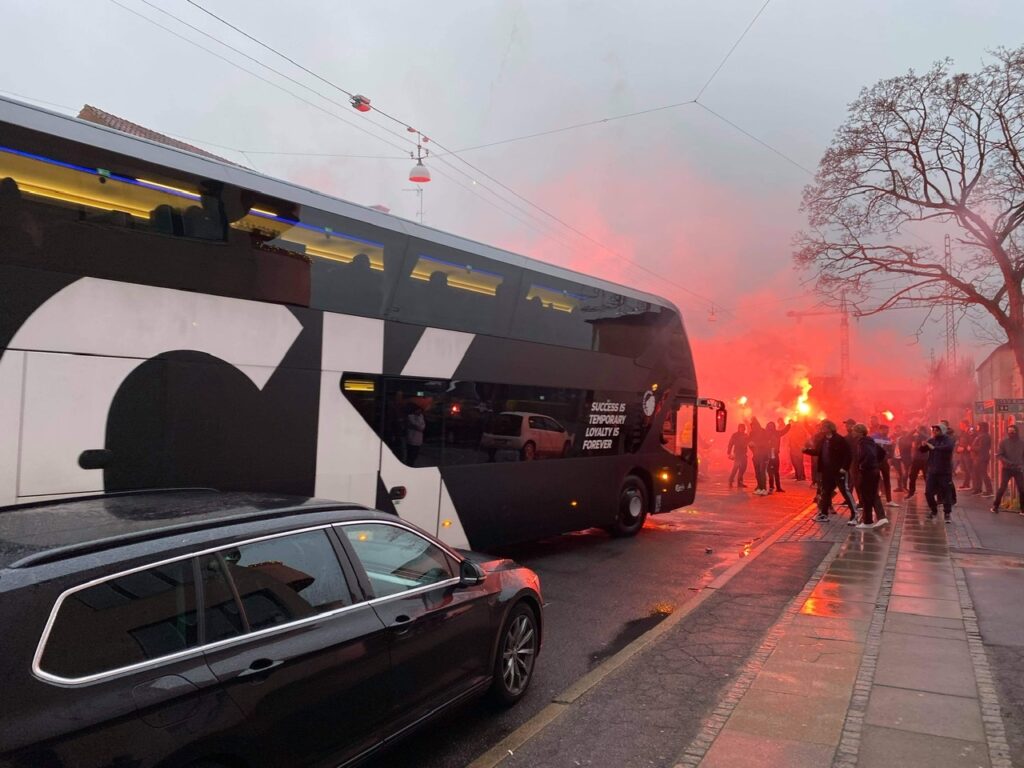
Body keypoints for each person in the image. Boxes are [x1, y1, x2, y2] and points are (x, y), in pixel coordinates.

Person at [804, 420, 858, 523]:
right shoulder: (823, 440)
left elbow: (848, 454)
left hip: (838, 470)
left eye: (824, 427)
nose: (822, 429)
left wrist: (844, 468)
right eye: (821, 427)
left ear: (830, 428)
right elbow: (818, 452)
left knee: (844, 491)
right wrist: (806, 450)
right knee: (826, 492)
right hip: (826, 471)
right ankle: (824, 514)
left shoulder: (839, 439)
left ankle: (854, 514)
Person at [853, 423, 889, 528]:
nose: (853, 432)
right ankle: (879, 518)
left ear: (859, 432)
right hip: (874, 471)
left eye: (854, 431)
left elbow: (870, 455)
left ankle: (868, 521)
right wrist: (876, 463)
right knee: (872, 494)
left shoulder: (863, 442)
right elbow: (882, 452)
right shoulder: (870, 440)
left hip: (867, 472)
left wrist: (864, 465)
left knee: (866, 495)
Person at [921, 424, 955, 522]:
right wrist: (923, 446)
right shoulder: (931, 440)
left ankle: (947, 513)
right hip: (932, 471)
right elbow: (922, 450)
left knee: (946, 492)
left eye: (937, 430)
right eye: (933, 430)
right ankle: (933, 510)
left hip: (944, 471)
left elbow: (948, 447)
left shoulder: (948, 440)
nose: (934, 432)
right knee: (928, 492)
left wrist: (934, 447)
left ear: (942, 431)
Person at [992, 423, 1024, 513]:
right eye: (1009, 431)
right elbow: (999, 455)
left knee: (1022, 489)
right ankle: (995, 506)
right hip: (1007, 468)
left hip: (1018, 468)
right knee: (1003, 487)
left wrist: (1021, 464)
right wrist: (1008, 462)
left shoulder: (1022, 443)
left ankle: (1023, 509)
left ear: (1016, 431)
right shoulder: (1004, 442)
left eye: (1013, 431)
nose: (1011, 433)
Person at [766, 420, 791, 493]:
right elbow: (784, 431)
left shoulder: (776, 433)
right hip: (770, 454)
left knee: (775, 471)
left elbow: (784, 431)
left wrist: (789, 425)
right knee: (771, 471)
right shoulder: (766, 434)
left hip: (774, 453)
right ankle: (773, 487)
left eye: (772, 426)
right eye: (770, 426)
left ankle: (777, 487)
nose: (771, 427)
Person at [905, 426, 929, 498]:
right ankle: (911, 492)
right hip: (916, 460)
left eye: (921, 431)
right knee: (912, 476)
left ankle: (929, 492)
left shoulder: (927, 437)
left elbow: (926, 436)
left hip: (925, 460)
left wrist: (919, 431)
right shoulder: (916, 437)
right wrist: (914, 430)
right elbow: (907, 436)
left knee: (926, 477)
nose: (919, 432)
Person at [749, 418, 771, 495]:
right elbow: (750, 443)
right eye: (751, 426)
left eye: (753, 426)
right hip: (756, 455)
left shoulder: (763, 431)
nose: (753, 428)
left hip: (764, 455)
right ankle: (760, 487)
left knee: (762, 472)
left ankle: (764, 488)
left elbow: (766, 442)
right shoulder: (752, 433)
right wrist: (751, 446)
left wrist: (756, 444)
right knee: (757, 473)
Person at [972, 422, 994, 497]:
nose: (976, 427)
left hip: (982, 457)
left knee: (983, 474)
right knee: (977, 473)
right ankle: (978, 489)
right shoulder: (980, 435)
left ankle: (989, 490)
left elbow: (981, 448)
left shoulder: (984, 436)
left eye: (978, 426)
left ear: (982, 427)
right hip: (978, 457)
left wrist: (972, 448)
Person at [726, 424, 750, 488]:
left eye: (743, 428)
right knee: (736, 467)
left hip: (743, 453)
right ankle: (731, 480)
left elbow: (749, 442)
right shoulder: (735, 435)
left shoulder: (745, 435)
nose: (741, 429)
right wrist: (729, 452)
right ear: (738, 428)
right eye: (740, 428)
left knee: (743, 468)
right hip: (737, 453)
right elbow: (730, 443)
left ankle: (740, 482)